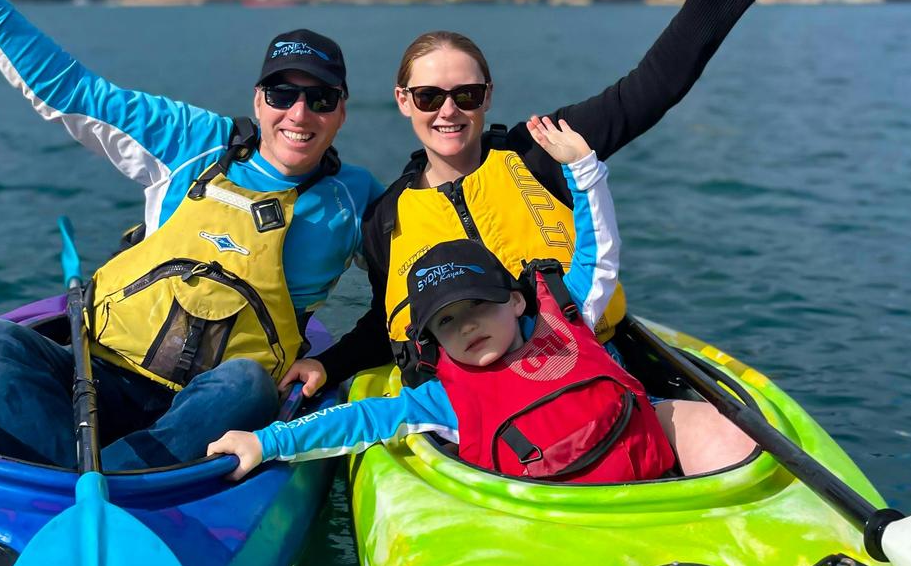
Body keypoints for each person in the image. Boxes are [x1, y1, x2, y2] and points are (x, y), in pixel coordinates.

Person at [279, 0, 759, 477]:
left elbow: (652, 87)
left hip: (589, 376)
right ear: (403, 100)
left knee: (733, 448)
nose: (448, 111)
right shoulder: (387, 217)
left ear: (488, 94)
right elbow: (386, 322)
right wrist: (330, 364)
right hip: (472, 418)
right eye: (428, 97)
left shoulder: (543, 151)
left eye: (466, 94)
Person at [0, 0, 382, 469]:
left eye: (321, 99)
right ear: (258, 101)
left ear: (341, 113)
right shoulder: (193, 142)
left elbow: (414, 286)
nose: (298, 113)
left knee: (248, 385)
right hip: (96, 375)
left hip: (211, 404)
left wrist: (334, 365)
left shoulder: (354, 199)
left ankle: (94, 481)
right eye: (282, 94)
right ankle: (106, 478)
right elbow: (69, 89)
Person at [208, 118, 682, 481]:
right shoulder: (445, 398)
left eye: (478, 306)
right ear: (432, 338)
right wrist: (264, 442)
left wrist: (582, 168)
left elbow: (598, 251)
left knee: (705, 427)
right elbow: (360, 419)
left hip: (652, 485)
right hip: (552, 511)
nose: (468, 326)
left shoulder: (569, 320)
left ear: (517, 301)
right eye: (448, 321)